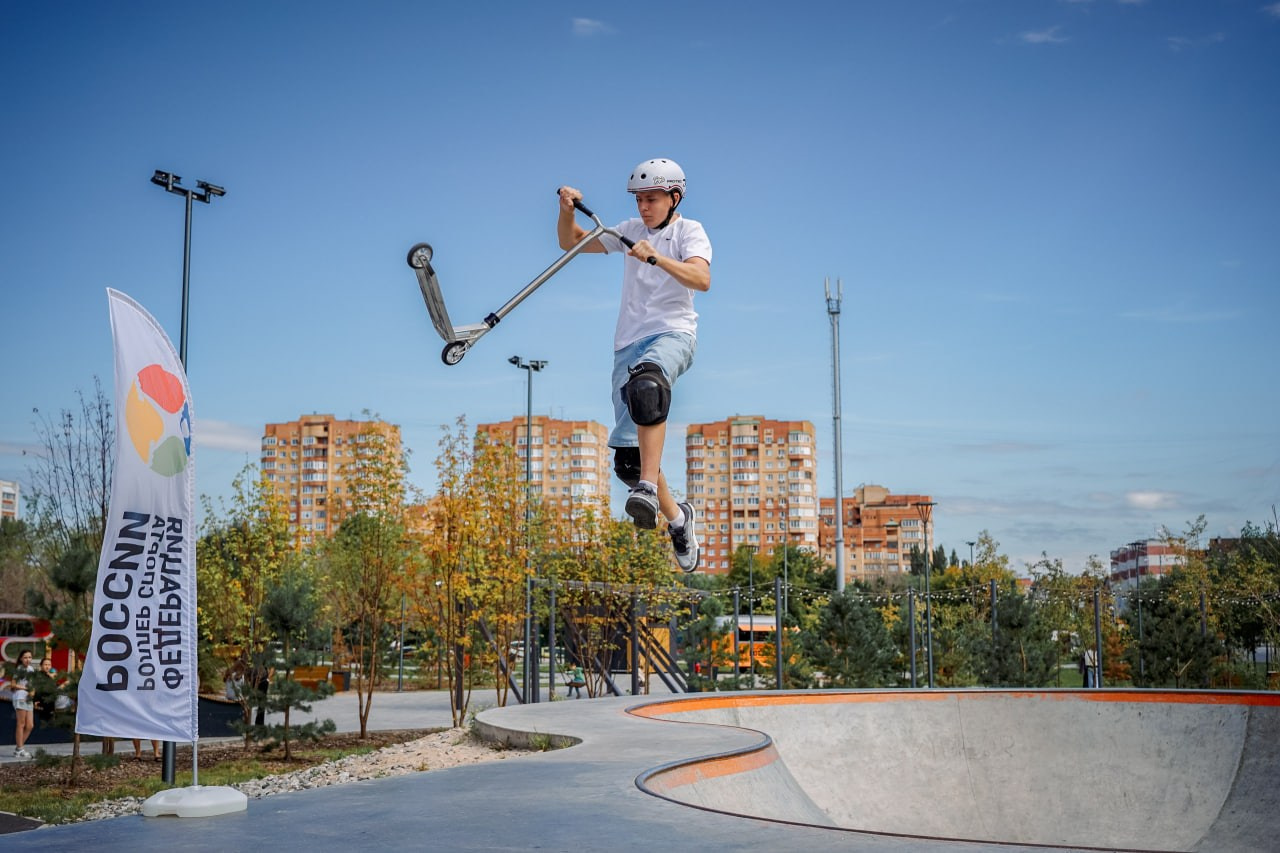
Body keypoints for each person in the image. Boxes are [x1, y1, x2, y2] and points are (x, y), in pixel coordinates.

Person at [557, 158, 712, 573]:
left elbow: (701, 279)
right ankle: (678, 520)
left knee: (648, 386)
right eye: (640, 200)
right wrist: (566, 210)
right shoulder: (627, 231)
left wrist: (657, 259)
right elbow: (569, 243)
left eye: (653, 199)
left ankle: (648, 485)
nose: (644, 208)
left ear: (674, 197)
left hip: (673, 334)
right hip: (626, 344)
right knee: (627, 463)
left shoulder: (688, 231)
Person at [8, 650, 36, 758]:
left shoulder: (31, 669)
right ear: (21, 658)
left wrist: (33, 691)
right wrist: (26, 688)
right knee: (21, 724)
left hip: (28, 698)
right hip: (20, 698)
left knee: (30, 725)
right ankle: (20, 749)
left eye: (29, 657)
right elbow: (13, 684)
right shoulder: (19, 669)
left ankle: (18, 748)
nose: (28, 659)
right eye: (25, 657)